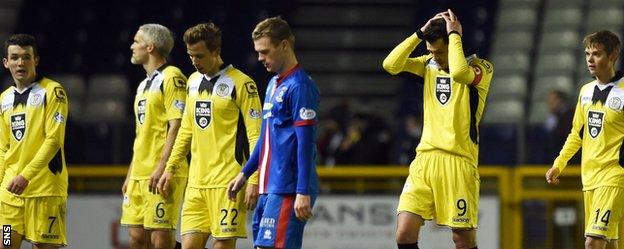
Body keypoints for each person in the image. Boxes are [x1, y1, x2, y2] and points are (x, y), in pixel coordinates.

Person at [382, 9, 493, 249]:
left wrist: (454, 36)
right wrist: (418, 34)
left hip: (459, 161)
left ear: (456, 43)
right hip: (425, 161)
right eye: (431, 52)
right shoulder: (427, 65)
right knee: (404, 233)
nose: (436, 57)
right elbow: (390, 65)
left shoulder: (481, 68)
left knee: (462, 239)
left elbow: (460, 73)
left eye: (440, 52)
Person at [156, 22, 262, 249]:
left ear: (216, 51)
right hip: (196, 184)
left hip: (229, 182)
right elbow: (186, 130)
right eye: (191, 56)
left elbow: (256, 136)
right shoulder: (192, 82)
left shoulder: (243, 84)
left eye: (200, 56)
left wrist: (253, 179)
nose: (194, 61)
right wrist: (170, 168)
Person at [227, 16, 320, 249]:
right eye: (258, 52)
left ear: (284, 45)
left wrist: (302, 191)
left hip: (288, 187)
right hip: (269, 187)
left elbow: (305, 143)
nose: (260, 58)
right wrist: (245, 173)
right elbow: (265, 138)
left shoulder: (300, 86)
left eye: (265, 51)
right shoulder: (273, 84)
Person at [546, 30, 624, 249]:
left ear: (613, 55)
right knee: (609, 243)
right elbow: (576, 135)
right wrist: (558, 164)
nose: (590, 59)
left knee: (593, 242)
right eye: (587, 54)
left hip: (614, 177)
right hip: (589, 179)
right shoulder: (585, 91)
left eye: (597, 54)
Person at [120, 24, 188, 249]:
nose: (132, 46)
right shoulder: (143, 85)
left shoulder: (172, 77)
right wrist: (131, 173)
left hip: (161, 170)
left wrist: (162, 166)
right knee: (137, 238)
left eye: (136, 41)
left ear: (150, 47)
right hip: (140, 172)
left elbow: (176, 126)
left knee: (161, 239)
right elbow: (142, 133)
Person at [0, 34, 69, 248]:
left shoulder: (53, 91)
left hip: (44, 191)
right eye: (15, 57)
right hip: (10, 195)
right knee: (6, 244)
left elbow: (53, 140)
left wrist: (26, 176)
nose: (20, 63)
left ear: (35, 61)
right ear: (6, 63)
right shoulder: (4, 99)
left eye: (26, 57)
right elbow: (3, 147)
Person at [544, 89, 576, 162]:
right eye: (549, 100)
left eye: (553, 100)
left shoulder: (571, 115)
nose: (550, 103)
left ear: (561, 101)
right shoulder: (553, 117)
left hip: (570, 161)